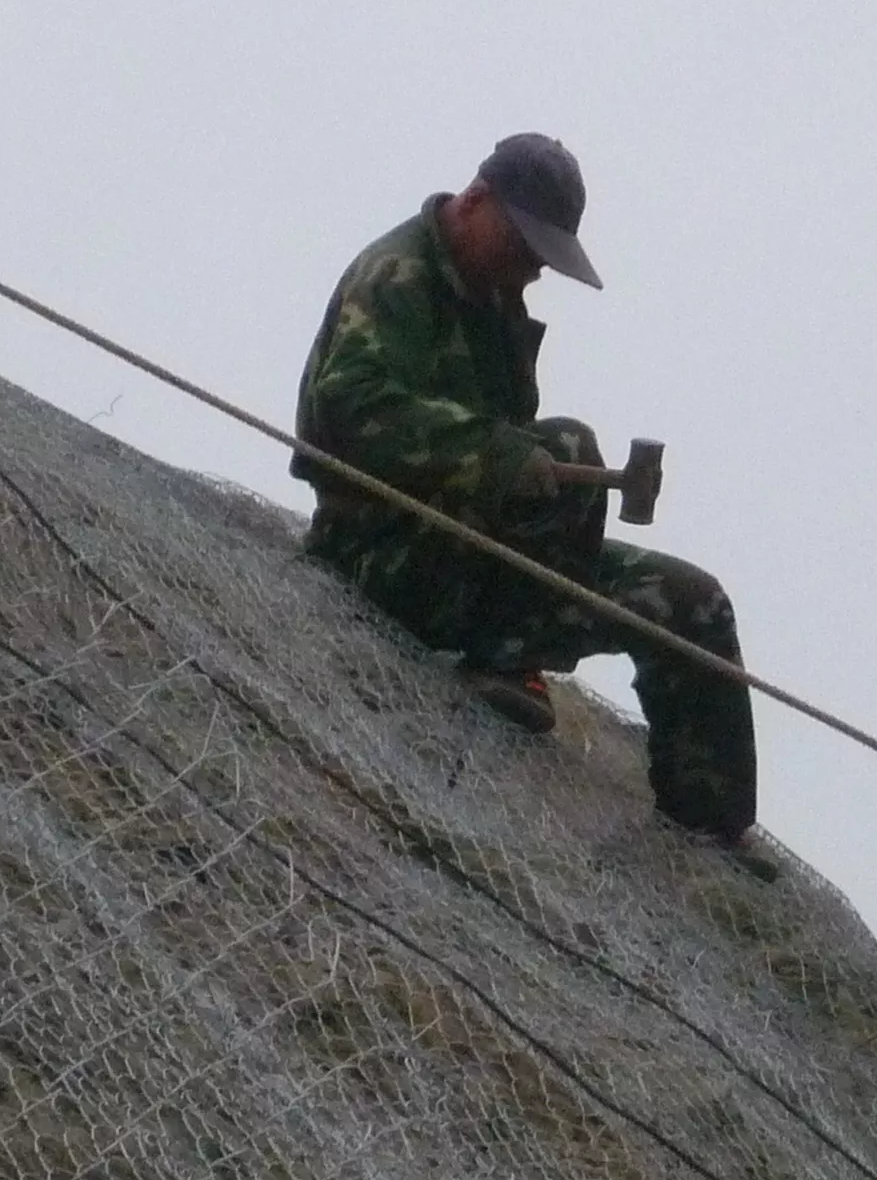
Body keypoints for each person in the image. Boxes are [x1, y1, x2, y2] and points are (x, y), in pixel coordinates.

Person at [292, 134, 761, 852]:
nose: (534, 270)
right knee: (569, 444)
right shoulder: (397, 277)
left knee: (688, 603)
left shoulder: (495, 299)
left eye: (544, 257)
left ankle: (712, 832)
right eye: (524, 247)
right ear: (474, 202)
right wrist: (499, 453)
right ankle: (507, 654)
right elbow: (346, 410)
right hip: (384, 552)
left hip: (481, 556)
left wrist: (525, 464)